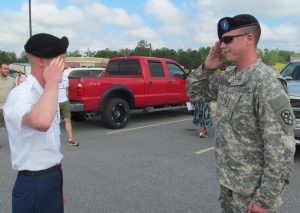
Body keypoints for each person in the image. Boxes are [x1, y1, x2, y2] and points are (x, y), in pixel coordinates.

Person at [186, 14, 295, 213]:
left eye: (228, 39)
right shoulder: (228, 78)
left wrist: (265, 199)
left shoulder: (267, 82)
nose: (222, 46)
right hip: (228, 184)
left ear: (249, 39)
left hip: (252, 194)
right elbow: (194, 93)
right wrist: (207, 69)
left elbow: (281, 148)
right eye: (221, 40)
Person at [4, 33, 69, 213]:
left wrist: (57, 188)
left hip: (52, 178)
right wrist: (53, 83)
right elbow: (41, 122)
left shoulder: (46, 91)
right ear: (41, 61)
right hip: (33, 184)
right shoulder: (20, 95)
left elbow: (49, 144)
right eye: (61, 59)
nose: (66, 65)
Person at [59, 72, 79, 146]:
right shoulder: (51, 74)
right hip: (54, 102)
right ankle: (50, 141)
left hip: (64, 101)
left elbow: (66, 89)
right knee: (53, 123)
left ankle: (70, 139)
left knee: (67, 120)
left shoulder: (64, 76)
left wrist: (67, 99)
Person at [0, 63, 15, 130]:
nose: (7, 70)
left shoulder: (12, 80)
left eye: (8, 68)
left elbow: (15, 94)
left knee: (9, 130)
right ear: (0, 69)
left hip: (8, 109)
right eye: (5, 68)